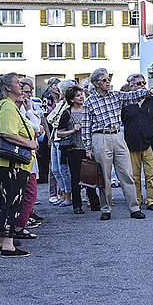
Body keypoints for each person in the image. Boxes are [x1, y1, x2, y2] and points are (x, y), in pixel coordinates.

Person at [82, 68, 150, 220]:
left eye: (108, 79)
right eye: (104, 80)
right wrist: (88, 148)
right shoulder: (89, 102)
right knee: (104, 176)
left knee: (126, 173)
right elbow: (85, 127)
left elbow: (133, 95)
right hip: (100, 137)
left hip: (117, 135)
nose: (108, 83)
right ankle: (106, 209)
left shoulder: (116, 95)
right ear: (96, 83)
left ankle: (134, 208)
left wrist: (148, 90)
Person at [0, 73, 36, 257]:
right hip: (10, 162)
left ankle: (0, 241)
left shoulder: (1, 105)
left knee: (2, 201)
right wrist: (30, 143)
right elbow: (8, 134)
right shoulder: (7, 106)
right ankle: (8, 244)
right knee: (12, 201)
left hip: (0, 161)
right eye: (17, 82)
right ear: (8, 87)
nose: (21, 85)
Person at [122, 73, 153, 211]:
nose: (142, 85)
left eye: (144, 83)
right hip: (132, 142)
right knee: (134, 175)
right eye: (138, 83)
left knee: (152, 173)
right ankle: (136, 200)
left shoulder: (152, 100)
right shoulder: (125, 101)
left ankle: (151, 200)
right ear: (131, 86)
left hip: (150, 143)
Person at [11, 79, 45, 239]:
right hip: (21, 157)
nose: (27, 95)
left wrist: (30, 110)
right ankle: (18, 226)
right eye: (24, 91)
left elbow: (38, 128)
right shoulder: (13, 110)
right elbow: (36, 128)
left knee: (28, 192)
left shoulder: (22, 109)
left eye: (29, 91)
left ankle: (20, 224)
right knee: (29, 192)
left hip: (27, 157)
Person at [57, 85, 96, 214]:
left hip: (88, 147)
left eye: (81, 95)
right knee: (76, 178)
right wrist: (72, 130)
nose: (81, 97)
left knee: (90, 176)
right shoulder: (67, 113)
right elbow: (59, 133)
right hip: (74, 149)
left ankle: (94, 202)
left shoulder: (87, 110)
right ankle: (77, 205)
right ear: (72, 99)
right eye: (78, 95)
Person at [47, 80, 75, 207]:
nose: (58, 91)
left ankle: (68, 195)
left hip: (62, 140)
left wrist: (56, 120)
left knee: (63, 169)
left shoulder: (68, 105)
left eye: (60, 89)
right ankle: (63, 194)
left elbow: (57, 122)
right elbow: (50, 118)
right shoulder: (59, 104)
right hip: (55, 139)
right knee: (55, 169)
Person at [79, 78, 100, 210]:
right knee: (89, 170)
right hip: (87, 141)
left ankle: (100, 198)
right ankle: (91, 198)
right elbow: (86, 126)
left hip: (98, 139)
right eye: (87, 88)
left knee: (100, 171)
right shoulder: (86, 104)